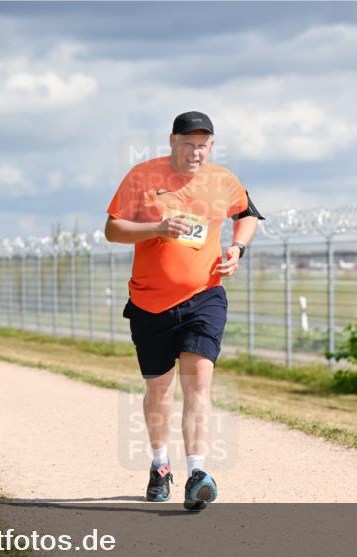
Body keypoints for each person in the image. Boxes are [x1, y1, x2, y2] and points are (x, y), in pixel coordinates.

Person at [104, 111, 262, 510]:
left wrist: (237, 249)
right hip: (149, 302)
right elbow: (113, 229)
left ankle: (198, 473)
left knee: (198, 385)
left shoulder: (223, 180)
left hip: (204, 296)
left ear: (212, 145)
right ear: (172, 141)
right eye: (189, 144)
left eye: (204, 145)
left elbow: (247, 215)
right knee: (159, 391)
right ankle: (160, 466)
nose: (196, 152)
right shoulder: (142, 177)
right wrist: (157, 229)